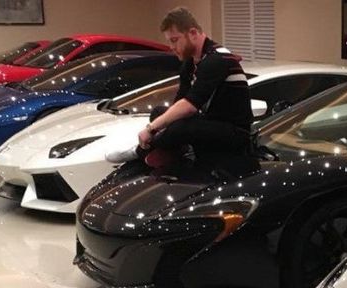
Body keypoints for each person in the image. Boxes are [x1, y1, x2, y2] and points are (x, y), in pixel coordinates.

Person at [109, 7, 258, 177]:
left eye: (175, 40)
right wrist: (162, 123)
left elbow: (190, 105)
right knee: (159, 113)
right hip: (210, 122)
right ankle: (173, 149)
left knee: (181, 127)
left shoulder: (217, 59)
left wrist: (150, 129)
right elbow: (180, 101)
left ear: (193, 33)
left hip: (234, 132)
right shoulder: (190, 63)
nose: (172, 47)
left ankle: (140, 152)